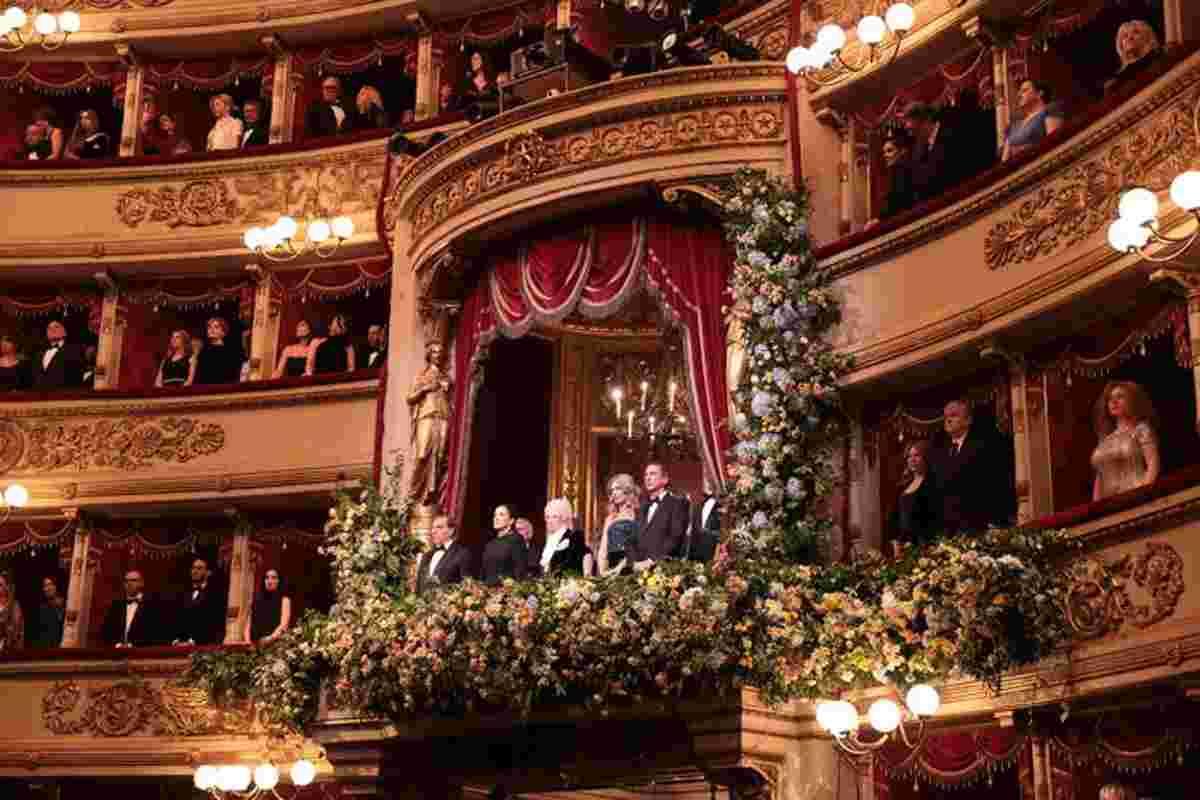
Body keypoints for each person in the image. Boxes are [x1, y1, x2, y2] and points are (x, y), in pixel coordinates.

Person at [930, 399, 1013, 533]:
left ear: (968, 420)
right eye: (946, 417)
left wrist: (996, 522)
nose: (948, 420)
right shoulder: (938, 453)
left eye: (954, 415)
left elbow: (995, 484)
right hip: (947, 529)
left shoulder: (984, 446)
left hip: (978, 524)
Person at [1091, 381, 1160, 501]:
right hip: (1109, 504)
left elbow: (1153, 464)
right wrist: (1096, 507)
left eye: (1120, 397)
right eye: (1110, 399)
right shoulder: (1106, 439)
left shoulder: (1141, 429)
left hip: (1136, 496)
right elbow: (1100, 476)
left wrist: (1143, 496)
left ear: (1132, 401)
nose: (1113, 402)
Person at [407, 342, 451, 506]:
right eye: (434, 352)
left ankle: (432, 492)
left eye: (440, 352)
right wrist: (425, 389)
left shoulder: (446, 377)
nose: (437, 355)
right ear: (429, 355)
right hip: (427, 415)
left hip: (443, 416)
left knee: (440, 456)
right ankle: (414, 493)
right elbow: (410, 398)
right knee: (422, 454)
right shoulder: (422, 375)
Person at [629, 463, 690, 569]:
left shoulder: (677, 503)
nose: (648, 478)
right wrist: (634, 562)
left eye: (652, 474)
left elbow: (675, 537)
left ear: (665, 479)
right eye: (646, 475)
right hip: (638, 570)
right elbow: (634, 538)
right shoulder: (642, 507)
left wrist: (652, 561)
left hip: (664, 569)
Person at [889, 440, 941, 553]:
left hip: (923, 546)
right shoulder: (902, 486)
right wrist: (895, 542)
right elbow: (894, 517)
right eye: (909, 456)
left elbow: (934, 519)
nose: (912, 460)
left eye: (916, 455)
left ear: (926, 458)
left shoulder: (933, 484)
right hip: (901, 547)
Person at [1001, 80, 1063, 163]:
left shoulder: (1050, 110)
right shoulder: (1014, 126)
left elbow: (1054, 143)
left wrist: (1024, 149)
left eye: (1024, 90)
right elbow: (1005, 161)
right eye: (1019, 92)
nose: (1019, 95)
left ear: (1039, 93)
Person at [903, 102, 952, 204]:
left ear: (925, 121)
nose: (911, 135)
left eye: (913, 130)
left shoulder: (950, 134)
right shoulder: (920, 147)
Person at [592, 474, 639, 576]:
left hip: (632, 565)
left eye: (617, 488)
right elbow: (603, 549)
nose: (614, 493)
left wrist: (625, 564)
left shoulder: (639, 514)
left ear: (627, 489)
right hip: (612, 566)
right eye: (611, 490)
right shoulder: (610, 518)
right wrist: (602, 572)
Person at [415, 514, 473, 594]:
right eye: (432, 528)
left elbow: (467, 587)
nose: (433, 531)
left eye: (439, 527)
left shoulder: (462, 554)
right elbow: (418, 588)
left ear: (451, 531)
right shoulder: (426, 556)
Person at [101, 569, 161, 647]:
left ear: (141, 583)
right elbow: (106, 632)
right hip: (116, 654)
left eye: (133, 580)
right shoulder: (115, 606)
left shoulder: (152, 606)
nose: (129, 583)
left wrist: (131, 645)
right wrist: (118, 645)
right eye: (126, 581)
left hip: (141, 654)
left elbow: (155, 633)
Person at [174, 557, 226, 646]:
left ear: (208, 573)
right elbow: (180, 619)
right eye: (193, 568)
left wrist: (194, 641)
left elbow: (214, 623)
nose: (195, 571)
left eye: (199, 568)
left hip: (205, 645)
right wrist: (177, 639)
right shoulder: (183, 594)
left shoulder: (215, 595)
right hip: (183, 645)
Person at [871, 131, 917, 225]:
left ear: (902, 151)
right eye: (884, 152)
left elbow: (895, 202)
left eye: (889, 151)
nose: (885, 155)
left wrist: (879, 219)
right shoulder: (897, 171)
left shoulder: (901, 170)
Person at [1106, 20, 1163, 94]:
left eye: (1136, 32)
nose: (1129, 38)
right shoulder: (1116, 81)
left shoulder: (1158, 58)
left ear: (1148, 37)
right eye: (1125, 36)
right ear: (1121, 45)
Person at [538, 498, 588, 577]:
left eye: (554, 517)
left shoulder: (574, 537)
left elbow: (574, 565)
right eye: (547, 517)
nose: (550, 521)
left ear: (564, 518)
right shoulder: (547, 541)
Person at [481, 505, 529, 585]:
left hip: (505, 593)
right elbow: (484, 573)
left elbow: (520, 571)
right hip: (487, 591)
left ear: (511, 520)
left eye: (501, 514)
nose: (496, 518)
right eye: (495, 515)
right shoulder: (490, 544)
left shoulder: (516, 540)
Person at [31, 320, 85, 390]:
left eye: (56, 327)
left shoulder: (74, 350)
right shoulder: (39, 354)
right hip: (40, 397)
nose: (52, 329)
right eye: (49, 328)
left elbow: (76, 376)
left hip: (64, 396)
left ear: (65, 332)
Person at [244, 568, 291, 644]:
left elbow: (284, 625)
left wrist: (269, 638)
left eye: (273, 578)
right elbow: (248, 624)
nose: (269, 581)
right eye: (267, 578)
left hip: (275, 645)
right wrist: (248, 641)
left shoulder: (284, 600)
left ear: (279, 581)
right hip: (254, 645)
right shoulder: (256, 600)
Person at [193, 317, 243, 385]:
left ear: (223, 332)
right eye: (209, 327)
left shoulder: (230, 352)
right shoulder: (203, 352)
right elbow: (198, 375)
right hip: (205, 389)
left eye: (216, 327)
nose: (212, 329)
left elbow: (233, 374)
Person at [687, 477, 720, 563]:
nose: (708, 486)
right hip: (695, 554)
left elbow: (724, 531)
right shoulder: (697, 506)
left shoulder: (722, 505)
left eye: (710, 483)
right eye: (706, 484)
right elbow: (694, 530)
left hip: (714, 553)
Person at [31, 575, 66, 649]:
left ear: (56, 586)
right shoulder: (42, 609)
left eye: (50, 584)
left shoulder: (66, 604)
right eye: (45, 586)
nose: (47, 589)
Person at [0, 571, 24, 652]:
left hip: (9, 650)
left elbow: (16, 630)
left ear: (6, 587)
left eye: (0, 585)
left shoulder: (14, 606)